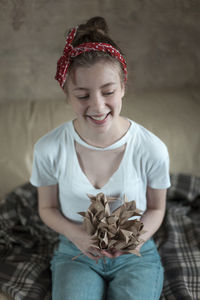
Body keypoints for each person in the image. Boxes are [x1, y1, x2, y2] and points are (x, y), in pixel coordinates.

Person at [30, 16, 171, 300]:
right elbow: (47, 208)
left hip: (137, 253)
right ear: (67, 94)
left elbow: (156, 208)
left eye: (108, 92)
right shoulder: (48, 148)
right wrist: (78, 236)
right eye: (82, 95)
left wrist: (133, 241)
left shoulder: (152, 148)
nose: (97, 106)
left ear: (123, 87)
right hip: (75, 249)